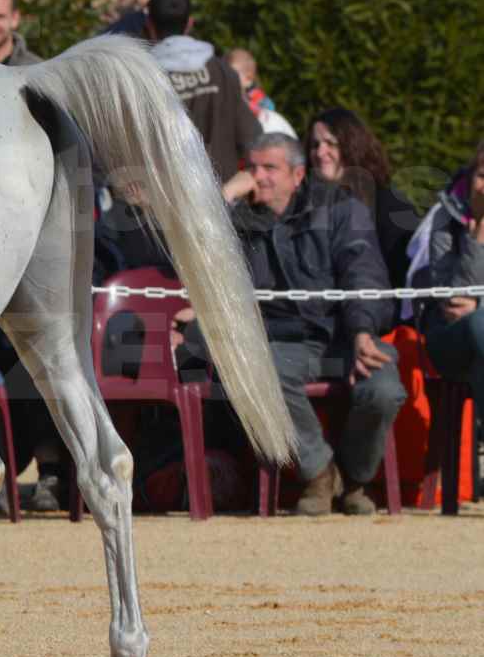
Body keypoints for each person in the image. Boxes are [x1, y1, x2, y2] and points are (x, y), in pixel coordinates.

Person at [180, 133, 406, 516]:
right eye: (252, 168)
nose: (259, 177)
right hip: (282, 344)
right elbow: (189, 249)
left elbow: (364, 273)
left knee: (384, 390)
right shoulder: (237, 220)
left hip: (346, 334)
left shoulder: (340, 209)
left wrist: (364, 332)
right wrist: (221, 199)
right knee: (261, 374)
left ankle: (352, 477)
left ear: (297, 175)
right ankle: (318, 473)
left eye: (270, 168)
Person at [145, 0, 261, 186]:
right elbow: (253, 138)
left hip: (170, 199)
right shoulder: (222, 70)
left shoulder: (144, 77)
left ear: (149, 25)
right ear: (190, 23)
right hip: (223, 200)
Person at [306, 107, 417, 291]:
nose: (320, 152)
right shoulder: (307, 205)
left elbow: (402, 274)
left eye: (330, 143)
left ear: (352, 145)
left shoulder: (389, 205)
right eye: (315, 145)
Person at [413, 139, 484, 420]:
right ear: (470, 177)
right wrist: (478, 238)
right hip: (449, 336)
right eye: (483, 175)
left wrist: (478, 304)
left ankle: (477, 453)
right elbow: (453, 300)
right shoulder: (447, 214)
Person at [223, 47, 296, 138]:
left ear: (248, 78)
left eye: (231, 75)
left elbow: (267, 112)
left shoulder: (256, 98)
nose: (225, 80)